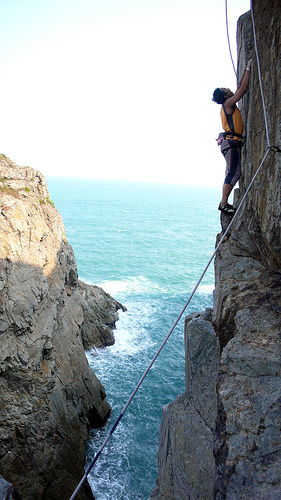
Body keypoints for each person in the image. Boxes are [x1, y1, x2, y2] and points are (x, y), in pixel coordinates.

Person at [212, 59, 252, 215]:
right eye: (225, 89)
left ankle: (224, 202)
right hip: (231, 143)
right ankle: (223, 203)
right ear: (224, 95)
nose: (229, 89)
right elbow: (242, 90)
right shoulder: (228, 104)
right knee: (234, 173)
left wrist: (245, 70)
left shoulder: (227, 104)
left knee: (232, 172)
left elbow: (239, 87)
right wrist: (248, 68)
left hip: (230, 143)